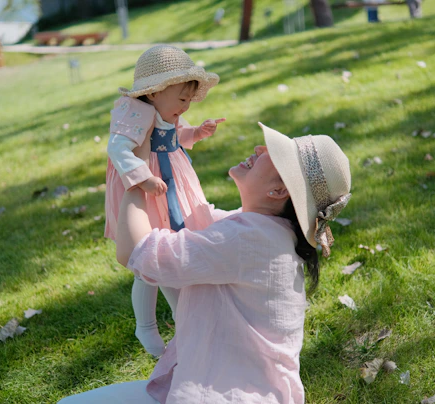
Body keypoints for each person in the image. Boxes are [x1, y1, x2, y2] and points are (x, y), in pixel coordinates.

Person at [59, 123, 352, 404]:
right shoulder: (265, 231)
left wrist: (134, 176)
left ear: (278, 192)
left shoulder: (248, 239)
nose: (259, 148)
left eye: (274, 155)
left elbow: (138, 253)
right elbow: (192, 218)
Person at [104, 44, 225, 356]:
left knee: (168, 254)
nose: (185, 106)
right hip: (148, 189)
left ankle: (184, 323)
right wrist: (141, 176)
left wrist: (197, 132)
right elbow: (117, 148)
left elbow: (174, 135)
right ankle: (147, 325)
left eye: (189, 99)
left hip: (173, 184)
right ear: (155, 92)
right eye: (181, 98)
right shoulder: (136, 112)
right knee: (150, 258)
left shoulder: (167, 112)